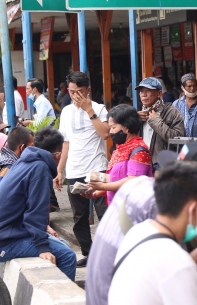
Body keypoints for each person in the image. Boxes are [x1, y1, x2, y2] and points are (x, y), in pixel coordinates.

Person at [86, 141, 197, 305]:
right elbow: (178, 268)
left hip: (102, 294)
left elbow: (167, 246)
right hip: (105, 298)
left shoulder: (141, 190)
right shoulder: (158, 206)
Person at [0, 127, 77, 280]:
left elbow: (28, 206)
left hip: (10, 231)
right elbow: (36, 211)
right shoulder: (40, 169)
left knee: (63, 244)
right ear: (59, 155)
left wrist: (45, 228)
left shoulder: (24, 161)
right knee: (68, 256)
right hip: (6, 241)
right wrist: (42, 247)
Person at [55, 71, 110, 268]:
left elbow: (105, 134)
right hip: (74, 170)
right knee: (79, 217)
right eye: (71, 92)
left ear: (88, 90)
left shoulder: (99, 109)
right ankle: (89, 253)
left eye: (79, 91)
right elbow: (66, 143)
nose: (75, 96)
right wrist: (60, 170)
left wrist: (89, 111)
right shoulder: (67, 112)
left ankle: (108, 254)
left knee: (104, 213)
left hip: (97, 168)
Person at [85, 104, 152, 204]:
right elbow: (116, 179)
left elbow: (133, 181)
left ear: (126, 128)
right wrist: (96, 192)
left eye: (113, 127)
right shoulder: (120, 149)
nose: (110, 132)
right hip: (117, 208)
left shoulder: (139, 150)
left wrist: (103, 186)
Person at [136, 77, 185, 166]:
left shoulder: (172, 112)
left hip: (163, 165)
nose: (143, 94)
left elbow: (179, 139)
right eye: (141, 91)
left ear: (159, 93)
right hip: (142, 163)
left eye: (148, 91)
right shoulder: (140, 114)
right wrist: (134, 122)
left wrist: (157, 122)